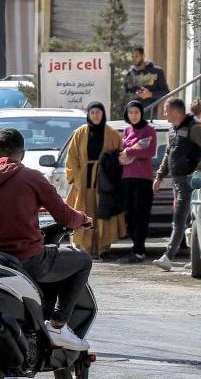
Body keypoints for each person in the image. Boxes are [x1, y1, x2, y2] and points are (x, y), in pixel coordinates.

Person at [0, 128, 94, 351]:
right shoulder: (32, 178)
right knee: (83, 260)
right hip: (29, 261)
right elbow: (65, 216)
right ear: (22, 153)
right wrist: (83, 219)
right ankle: (58, 325)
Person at [65, 102, 125, 259]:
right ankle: (85, 247)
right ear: (88, 115)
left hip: (104, 181)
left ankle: (103, 248)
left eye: (98, 112)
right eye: (92, 112)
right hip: (84, 182)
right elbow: (71, 159)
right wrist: (77, 178)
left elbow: (119, 156)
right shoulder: (79, 133)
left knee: (103, 212)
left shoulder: (112, 134)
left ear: (103, 114)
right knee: (85, 213)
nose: (96, 115)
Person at [153, 98, 201, 271]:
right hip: (177, 181)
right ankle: (195, 258)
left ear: (175, 112)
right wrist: (159, 176)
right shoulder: (173, 130)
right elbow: (167, 154)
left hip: (191, 183)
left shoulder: (194, 128)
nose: (164, 113)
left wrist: (195, 171)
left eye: (166, 110)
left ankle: (168, 256)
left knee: (179, 219)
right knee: (188, 220)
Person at [118, 100, 157, 263]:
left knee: (141, 215)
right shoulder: (127, 130)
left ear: (141, 113)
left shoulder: (149, 130)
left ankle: (139, 250)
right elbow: (122, 150)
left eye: (136, 112)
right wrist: (125, 152)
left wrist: (129, 150)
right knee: (130, 215)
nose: (133, 115)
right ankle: (136, 247)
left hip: (143, 179)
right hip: (127, 178)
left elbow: (149, 151)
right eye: (130, 112)